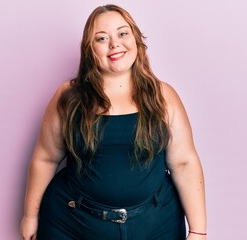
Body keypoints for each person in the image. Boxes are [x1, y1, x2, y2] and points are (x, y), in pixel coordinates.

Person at [20, 4, 206, 240]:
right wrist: (30, 217)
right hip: (74, 224)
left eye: (122, 33)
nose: (114, 43)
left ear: (136, 39)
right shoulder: (69, 96)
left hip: (156, 224)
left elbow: (184, 163)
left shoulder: (164, 96)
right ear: (89, 49)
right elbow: (45, 158)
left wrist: (198, 231)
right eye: (101, 38)